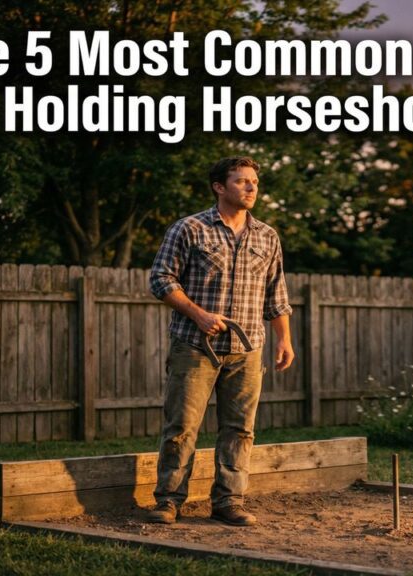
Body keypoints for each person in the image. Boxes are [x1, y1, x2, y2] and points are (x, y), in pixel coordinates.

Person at [146, 156, 295, 526]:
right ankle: (168, 500)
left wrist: (284, 339)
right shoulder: (190, 229)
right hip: (194, 346)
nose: (251, 187)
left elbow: (276, 294)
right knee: (181, 427)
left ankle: (229, 502)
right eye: (242, 181)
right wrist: (198, 314)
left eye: (254, 181)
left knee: (240, 429)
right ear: (219, 186)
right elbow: (161, 279)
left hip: (248, 349)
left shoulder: (267, 236)